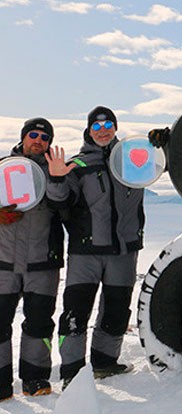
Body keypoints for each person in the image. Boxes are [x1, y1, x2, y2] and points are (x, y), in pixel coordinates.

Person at [46, 106, 142, 385]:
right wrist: (55, 177)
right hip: (85, 252)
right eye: (96, 126)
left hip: (124, 250)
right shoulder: (77, 165)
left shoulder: (131, 161)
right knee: (76, 312)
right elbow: (59, 202)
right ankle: (72, 374)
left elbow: (164, 163)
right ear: (88, 131)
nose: (103, 130)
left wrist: (163, 142)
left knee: (116, 311)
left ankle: (104, 363)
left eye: (108, 124)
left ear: (115, 127)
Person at [0, 119, 63, 399]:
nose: (38, 140)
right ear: (23, 137)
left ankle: (35, 379)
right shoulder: (2, 167)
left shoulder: (55, 171)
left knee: (39, 324)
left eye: (44, 137)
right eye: (33, 135)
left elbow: (68, 204)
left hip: (42, 262)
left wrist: (58, 177)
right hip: (3, 262)